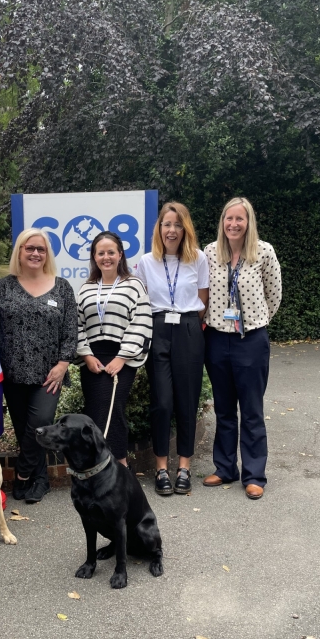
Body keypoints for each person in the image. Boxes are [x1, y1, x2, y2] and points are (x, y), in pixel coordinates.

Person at [0, 229, 77, 503]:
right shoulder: (3, 287)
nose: (36, 253)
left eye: (41, 249)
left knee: (40, 423)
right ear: (20, 251)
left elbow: (70, 331)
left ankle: (23, 474)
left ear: (47, 254)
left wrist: (63, 364)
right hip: (12, 373)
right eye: (30, 248)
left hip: (49, 375)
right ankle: (41, 481)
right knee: (26, 429)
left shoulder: (62, 287)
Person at [203, 197, 282, 500]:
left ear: (249, 222)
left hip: (251, 340)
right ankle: (224, 468)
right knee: (224, 410)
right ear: (222, 222)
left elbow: (274, 296)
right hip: (217, 338)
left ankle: (254, 474)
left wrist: (255, 323)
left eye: (240, 219)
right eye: (228, 218)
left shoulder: (263, 252)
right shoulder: (210, 252)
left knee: (251, 411)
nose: (233, 224)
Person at [136, 203, 209, 496]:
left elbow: (203, 301)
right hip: (157, 328)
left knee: (187, 402)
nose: (172, 230)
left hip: (189, 330)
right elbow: (141, 301)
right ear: (159, 228)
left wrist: (188, 327)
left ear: (185, 229)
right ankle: (162, 469)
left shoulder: (199, 259)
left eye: (178, 225)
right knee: (163, 401)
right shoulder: (145, 261)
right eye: (167, 224)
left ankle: (184, 468)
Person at [77, 231, 152, 466]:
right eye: (101, 253)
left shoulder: (134, 285)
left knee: (112, 407)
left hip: (121, 357)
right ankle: (98, 466)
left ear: (120, 255)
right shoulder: (86, 288)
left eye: (111, 252)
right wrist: (87, 355)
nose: (106, 257)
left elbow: (141, 322)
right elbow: (76, 325)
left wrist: (122, 357)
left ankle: (120, 465)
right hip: (92, 359)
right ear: (94, 257)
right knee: (94, 409)